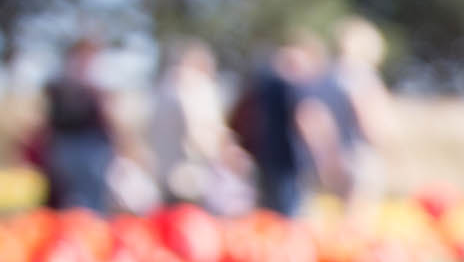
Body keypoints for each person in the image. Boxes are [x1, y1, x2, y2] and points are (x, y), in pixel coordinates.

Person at [237, 35, 339, 218]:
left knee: (267, 215)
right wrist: (324, 160)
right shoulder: (296, 85)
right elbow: (307, 121)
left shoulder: (262, 82)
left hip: (264, 158)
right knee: (290, 217)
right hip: (290, 162)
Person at [148, 41, 236, 208]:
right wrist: (216, 153)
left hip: (166, 165)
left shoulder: (164, 87)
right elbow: (195, 128)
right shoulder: (193, 86)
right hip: (191, 166)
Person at [41, 37, 123, 213]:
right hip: (70, 145)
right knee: (73, 195)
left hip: (94, 146)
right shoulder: (64, 83)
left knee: (94, 194)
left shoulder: (97, 84)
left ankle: (89, 230)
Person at [322, 17, 391, 210]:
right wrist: (380, 141)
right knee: (360, 218)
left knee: (344, 213)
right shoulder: (360, 74)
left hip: (335, 152)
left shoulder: (331, 74)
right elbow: (364, 113)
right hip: (359, 152)